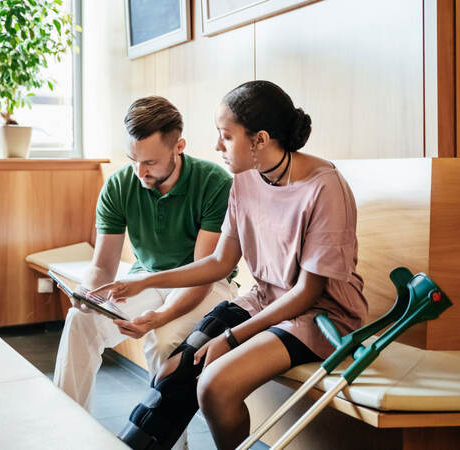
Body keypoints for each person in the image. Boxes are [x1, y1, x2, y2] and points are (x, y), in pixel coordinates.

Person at [91, 81, 368, 450]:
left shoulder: (324, 187)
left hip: (320, 318)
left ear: (260, 139)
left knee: (214, 386)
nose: (218, 146)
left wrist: (232, 337)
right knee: (173, 372)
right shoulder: (245, 181)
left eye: (226, 136)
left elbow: (308, 292)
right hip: (264, 301)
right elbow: (220, 261)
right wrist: (144, 283)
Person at [52, 96, 237, 418]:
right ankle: (69, 426)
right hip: (143, 280)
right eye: (133, 159)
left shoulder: (214, 183)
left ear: (179, 146)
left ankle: (159, 439)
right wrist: (89, 293)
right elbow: (103, 264)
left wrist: (161, 316)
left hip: (207, 284)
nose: (139, 171)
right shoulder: (120, 184)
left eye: (149, 162)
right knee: (80, 321)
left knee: (164, 342)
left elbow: (204, 272)